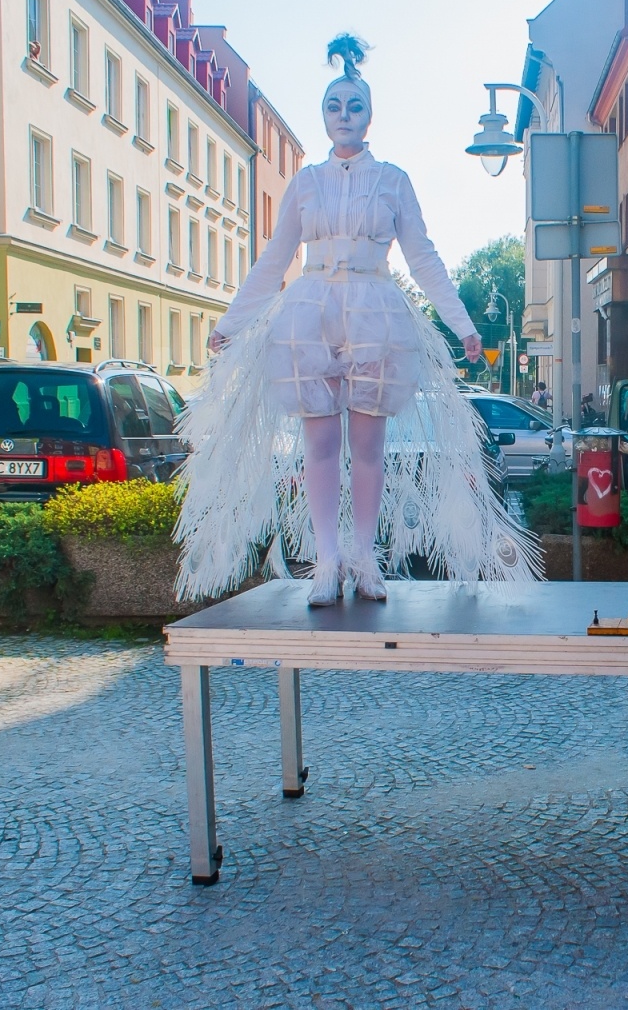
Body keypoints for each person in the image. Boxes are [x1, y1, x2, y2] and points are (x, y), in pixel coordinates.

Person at [175, 35, 538, 605]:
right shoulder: (305, 183)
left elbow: (423, 256)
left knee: (369, 446)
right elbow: (274, 260)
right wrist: (234, 322)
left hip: (375, 314)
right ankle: (326, 560)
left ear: (370, 114)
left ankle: (364, 556)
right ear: (323, 115)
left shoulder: (393, 180)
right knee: (318, 445)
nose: (344, 116)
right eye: (333, 106)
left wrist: (463, 325)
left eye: (355, 106)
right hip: (309, 316)